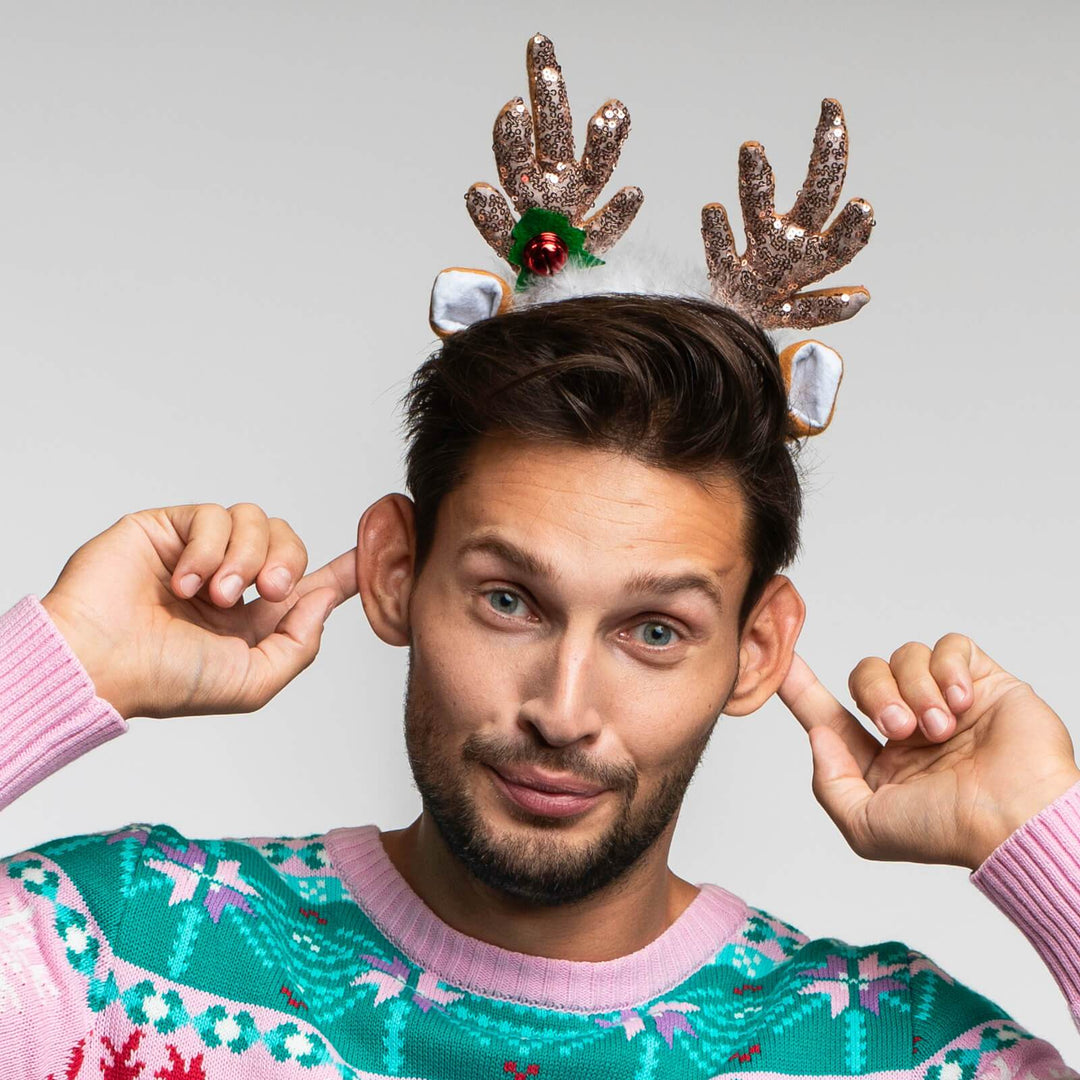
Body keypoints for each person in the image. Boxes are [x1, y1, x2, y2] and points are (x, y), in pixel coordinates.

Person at [1, 293, 1079, 1078]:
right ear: (393, 574)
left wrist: (1039, 832)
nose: (563, 713)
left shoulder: (895, 1058)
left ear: (755, 650)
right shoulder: (110, 951)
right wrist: (64, 660)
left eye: (654, 630)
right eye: (509, 601)